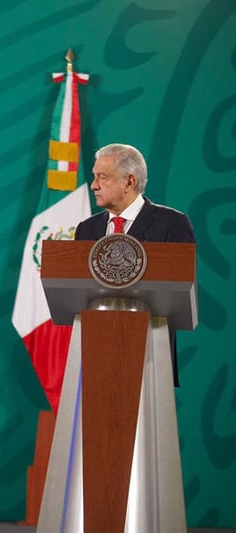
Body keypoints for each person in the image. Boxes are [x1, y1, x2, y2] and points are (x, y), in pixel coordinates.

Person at [75, 142, 195, 384]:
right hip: (96, 353)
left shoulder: (172, 224)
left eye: (103, 178)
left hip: (150, 352)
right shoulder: (86, 229)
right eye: (94, 177)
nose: (94, 185)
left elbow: (181, 289)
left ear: (129, 182)